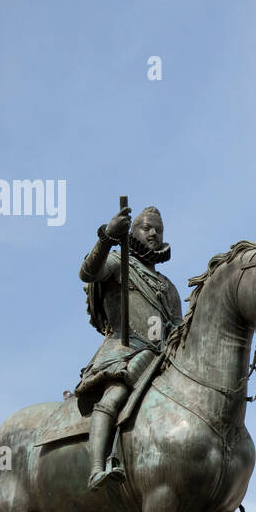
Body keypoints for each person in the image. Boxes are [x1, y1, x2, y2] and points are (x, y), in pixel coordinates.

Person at [75, 205, 182, 490]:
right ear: (132, 231)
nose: (153, 233)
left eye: (158, 230)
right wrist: (107, 237)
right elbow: (88, 272)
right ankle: (97, 467)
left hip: (160, 360)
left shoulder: (168, 288)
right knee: (115, 396)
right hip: (124, 351)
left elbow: (177, 329)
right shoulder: (117, 262)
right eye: (146, 228)